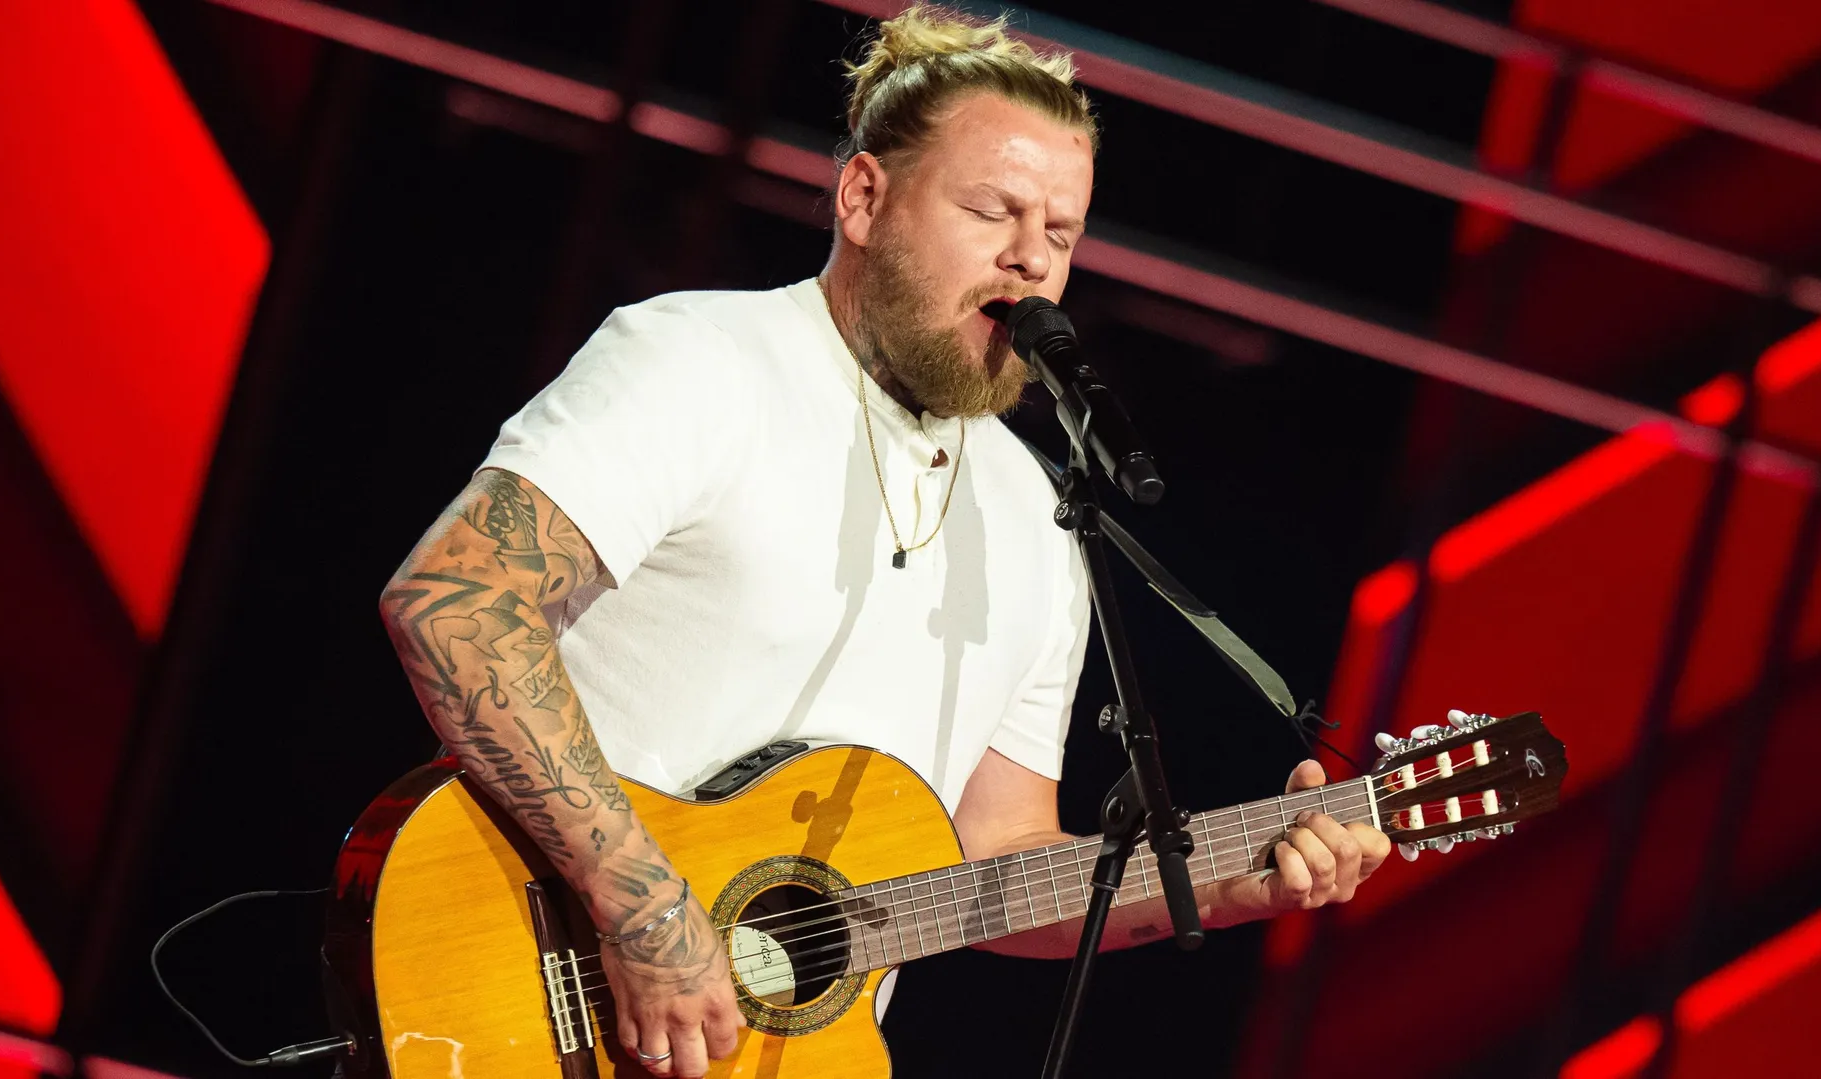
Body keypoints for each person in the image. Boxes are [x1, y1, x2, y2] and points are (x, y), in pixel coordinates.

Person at [379, 7, 1391, 1077]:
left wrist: (1234, 881)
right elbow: (454, 600)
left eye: (1060, 233)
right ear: (864, 198)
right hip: (520, 999)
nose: (1029, 258)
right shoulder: (701, 360)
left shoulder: (1036, 517)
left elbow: (996, 857)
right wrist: (640, 904)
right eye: (991, 210)